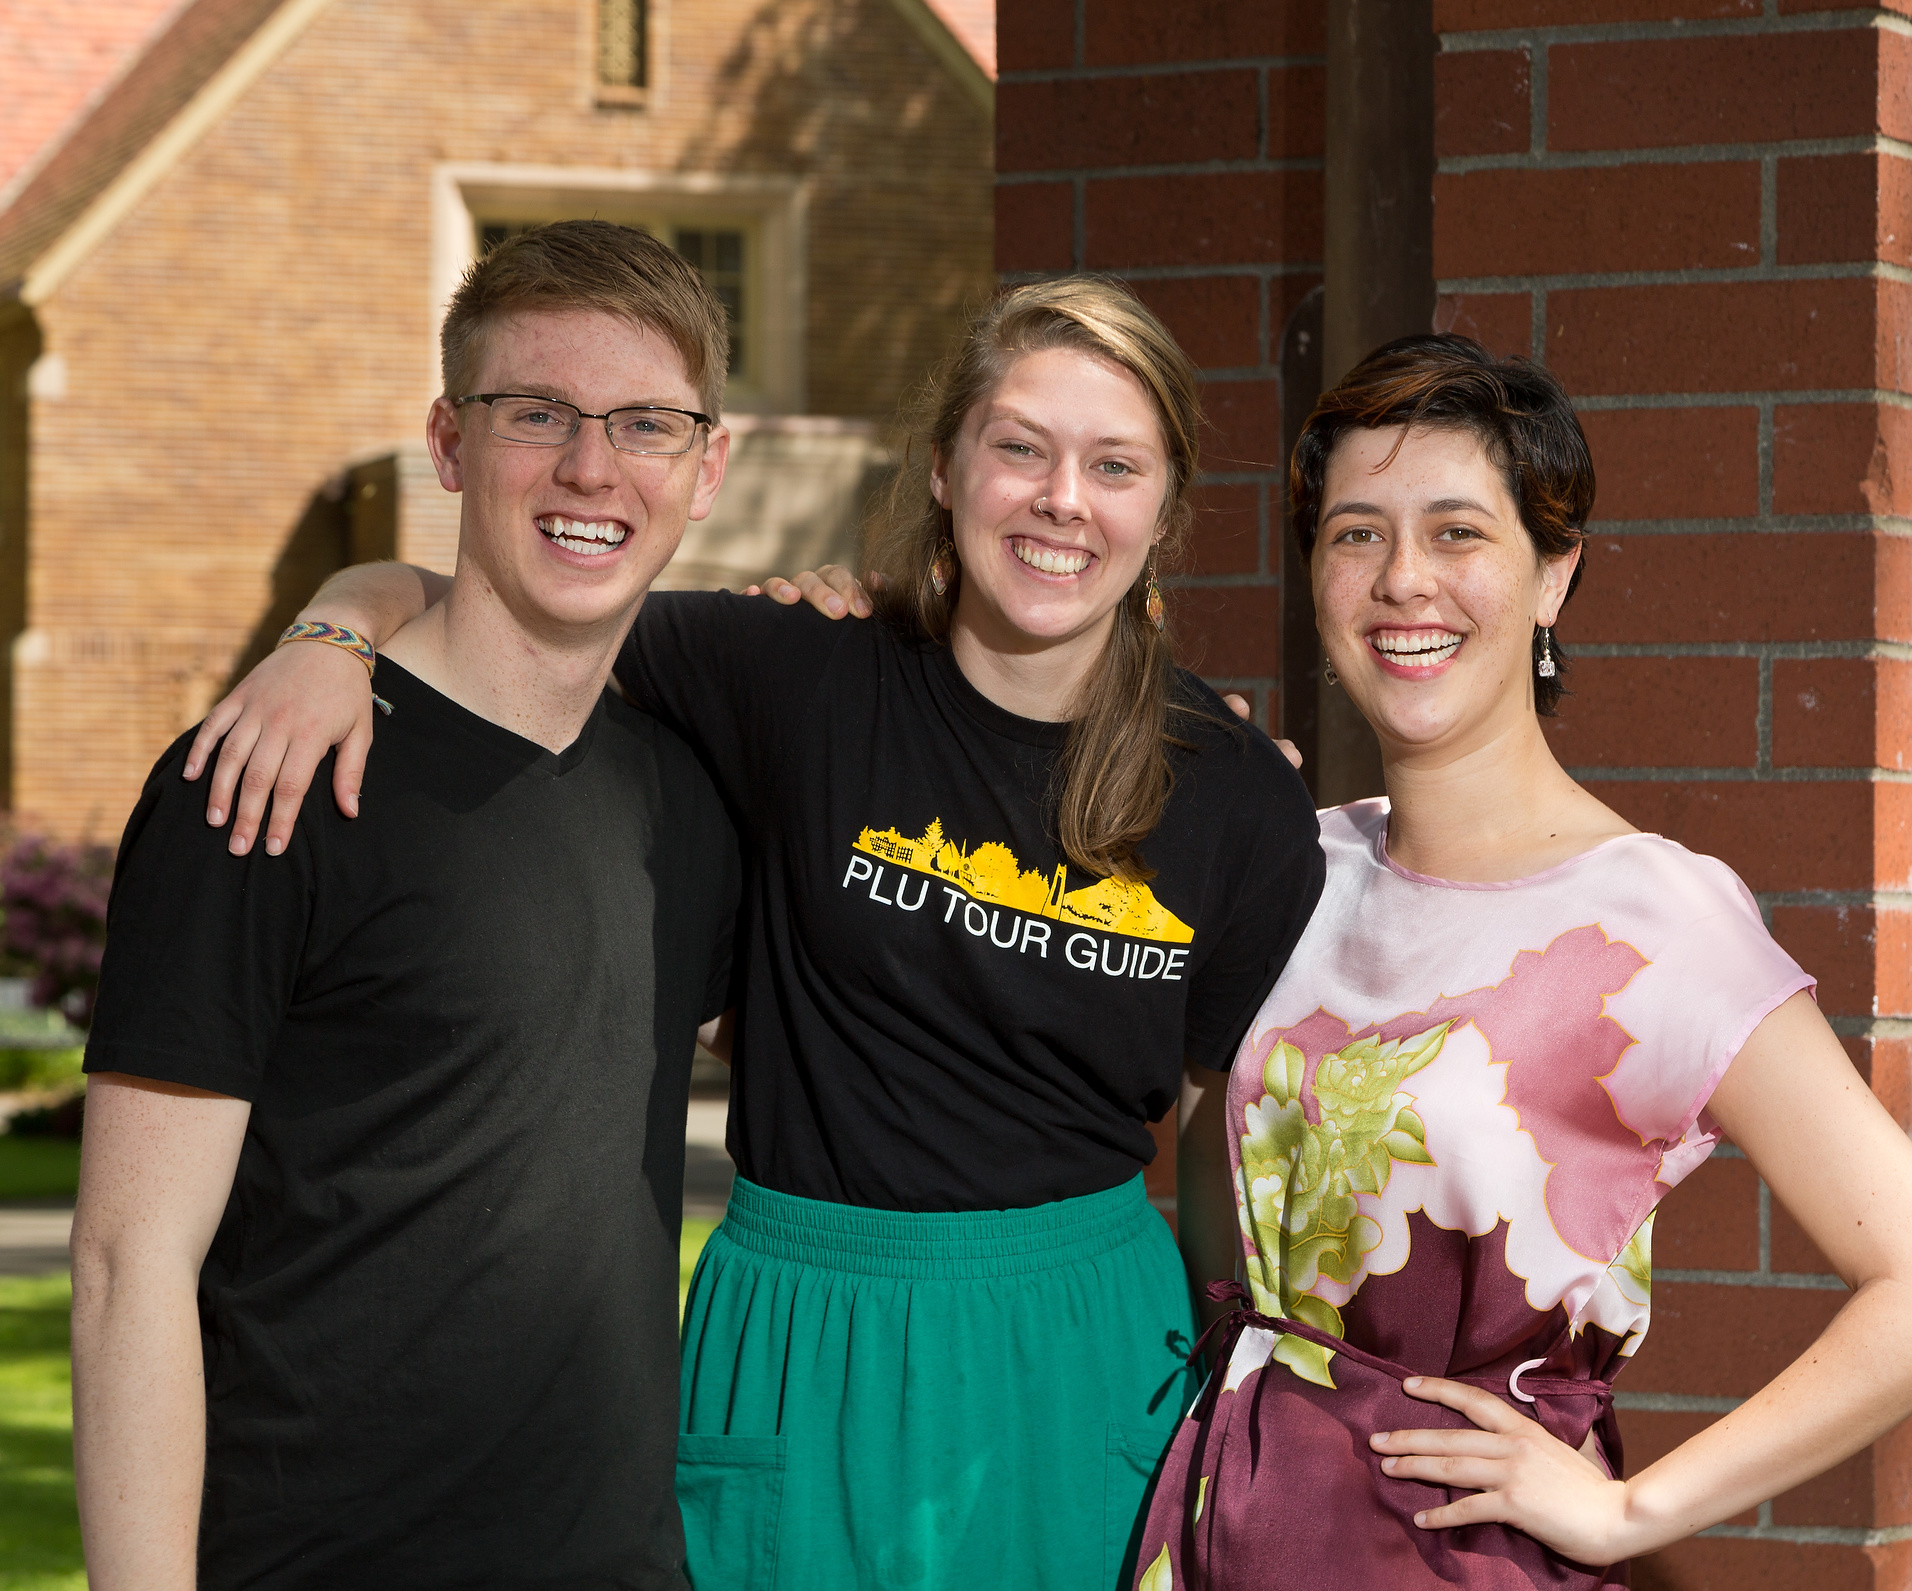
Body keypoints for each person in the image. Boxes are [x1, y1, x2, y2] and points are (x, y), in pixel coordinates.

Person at [183, 276, 1325, 1587]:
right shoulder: (791, 667)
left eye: (1114, 463)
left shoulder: (1237, 791)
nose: (1063, 497)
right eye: (1018, 446)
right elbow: (501, 604)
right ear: (946, 466)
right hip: (801, 1319)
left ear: (1166, 507)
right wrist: (334, 630)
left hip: (1079, 1337)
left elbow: (1222, 1135)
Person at [1125, 336, 1912, 1588]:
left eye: (1457, 533)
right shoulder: (1289, 866)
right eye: (1356, 534)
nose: (1402, 581)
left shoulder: (1651, 921)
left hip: (1453, 1559)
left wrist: (1631, 1511)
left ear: (1555, 574)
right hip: (1221, 1525)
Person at [68, 221, 742, 1590]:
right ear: (447, 443)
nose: (590, 466)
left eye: (645, 424)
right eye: (534, 413)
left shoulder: (695, 800)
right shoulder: (270, 779)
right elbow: (128, 1263)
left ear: (708, 466)